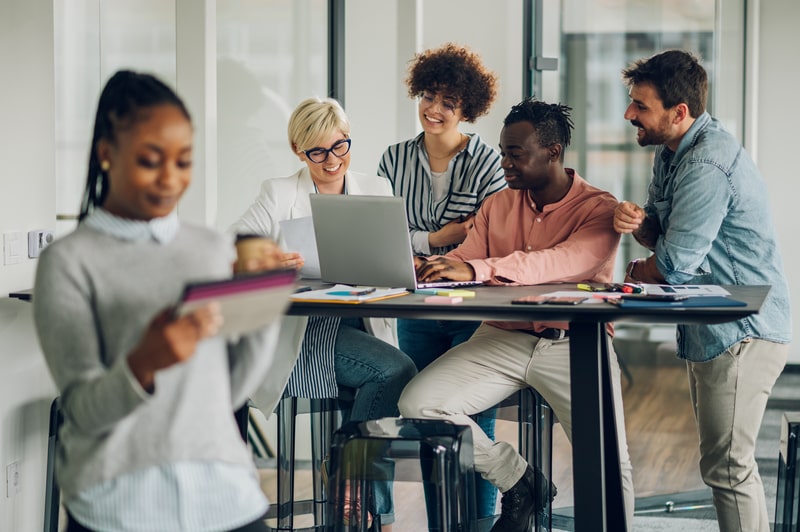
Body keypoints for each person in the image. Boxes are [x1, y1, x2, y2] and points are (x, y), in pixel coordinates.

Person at [33, 70, 285, 531]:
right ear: (107, 154)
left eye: (184, 161)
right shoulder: (68, 262)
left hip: (225, 496)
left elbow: (227, 391)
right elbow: (82, 412)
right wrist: (143, 364)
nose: (170, 179)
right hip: (119, 503)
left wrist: (263, 302)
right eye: (151, 161)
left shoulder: (211, 248)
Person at [398, 97, 636, 532]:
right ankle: (520, 481)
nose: (504, 162)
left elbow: (552, 265)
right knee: (418, 403)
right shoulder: (498, 205)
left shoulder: (599, 210)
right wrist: (429, 269)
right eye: (503, 150)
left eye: (515, 153)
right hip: (500, 339)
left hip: (574, 345)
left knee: (607, 459)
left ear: (553, 152)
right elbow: (467, 260)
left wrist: (476, 268)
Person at [614, 49, 791, 532]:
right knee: (723, 465)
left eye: (641, 106)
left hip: (742, 330)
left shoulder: (707, 163)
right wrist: (641, 224)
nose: (629, 114)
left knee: (729, 467)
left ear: (679, 113)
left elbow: (672, 266)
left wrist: (637, 266)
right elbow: (663, 238)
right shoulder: (673, 154)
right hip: (714, 328)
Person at [230, 96, 417, 530]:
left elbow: (395, 262)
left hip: (361, 321)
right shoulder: (279, 193)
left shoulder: (377, 189)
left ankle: (354, 492)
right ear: (299, 150)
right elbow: (231, 248)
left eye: (340, 147)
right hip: (305, 333)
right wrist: (268, 259)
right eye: (318, 152)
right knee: (393, 371)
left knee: (386, 379)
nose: (332, 161)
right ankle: (357, 493)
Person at [377, 42, 506, 521]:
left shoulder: (488, 162)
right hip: (418, 309)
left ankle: (480, 524)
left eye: (448, 103)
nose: (435, 110)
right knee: (427, 427)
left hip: (472, 309)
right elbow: (385, 235)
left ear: (466, 109)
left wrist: (430, 243)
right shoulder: (393, 160)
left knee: (474, 423)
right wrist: (441, 236)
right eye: (429, 96)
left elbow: (491, 233)